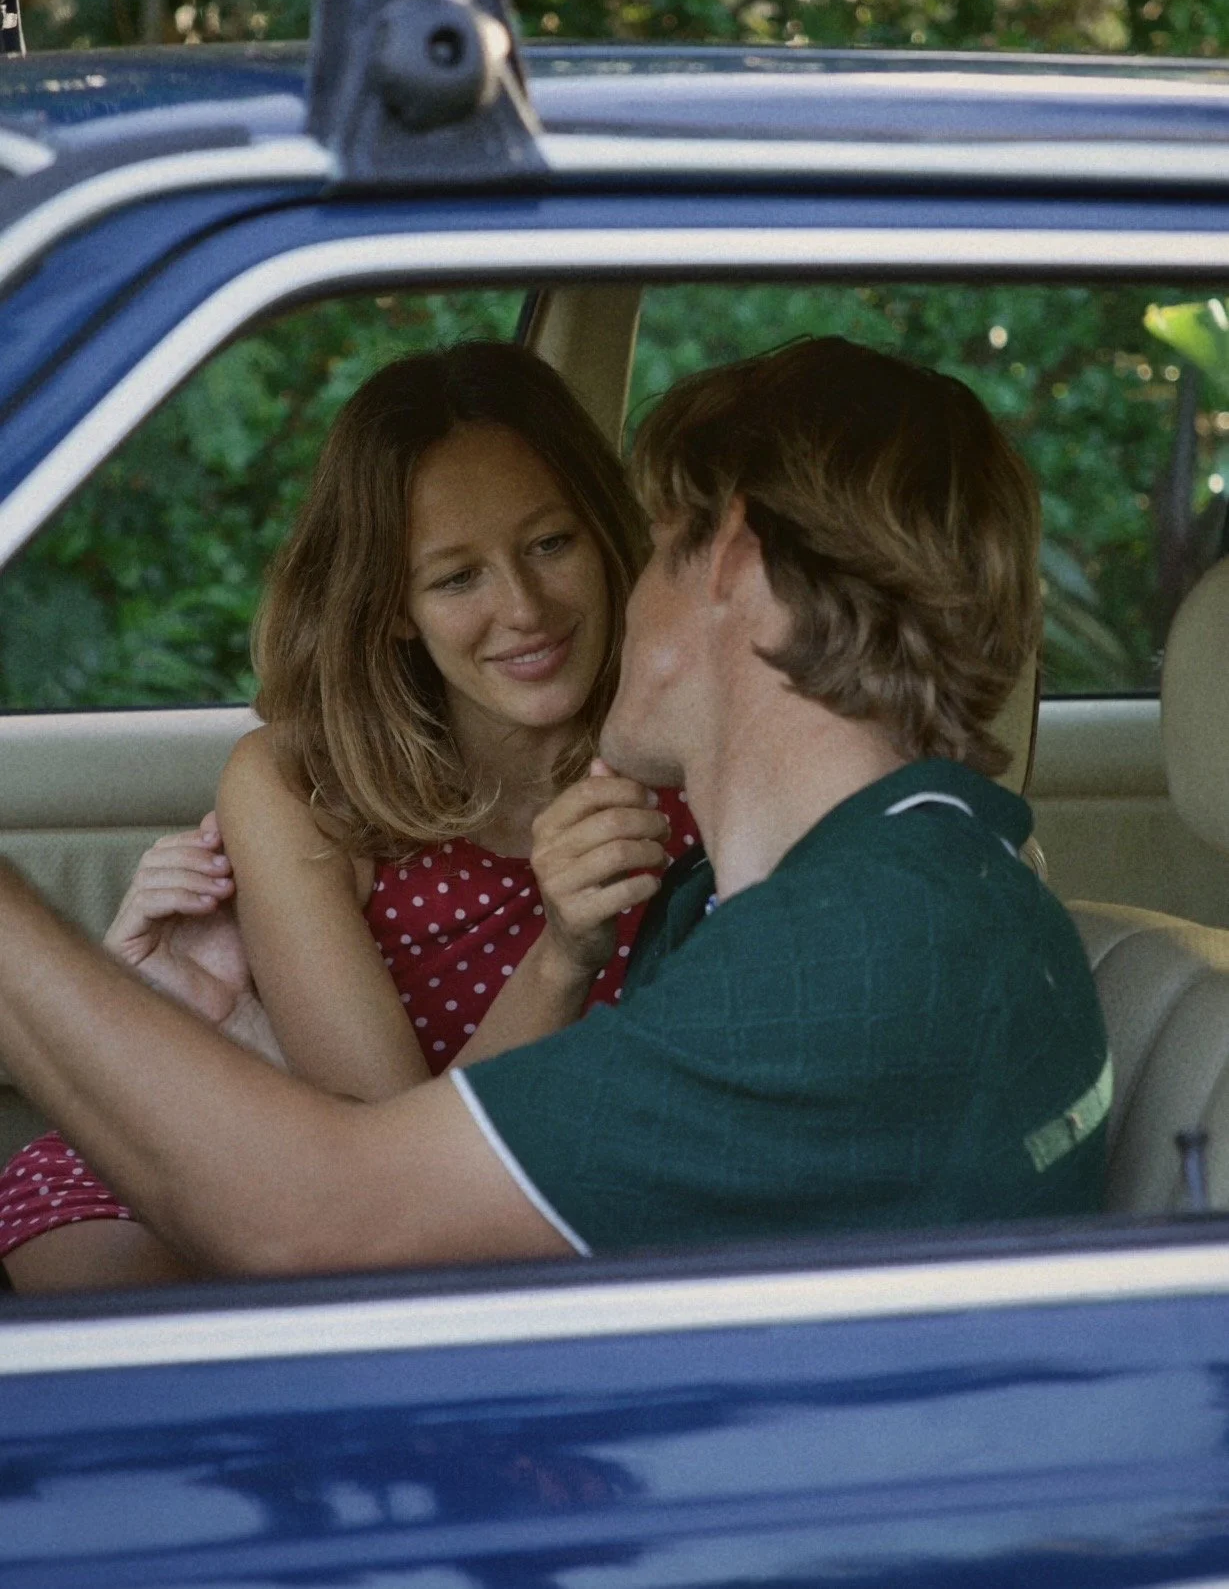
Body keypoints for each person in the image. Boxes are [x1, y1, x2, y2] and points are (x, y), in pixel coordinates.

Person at [0, 337, 1109, 1280]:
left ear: (725, 562)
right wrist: (241, 1036)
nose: (582, 600)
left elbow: (341, 1223)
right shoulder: (852, 891)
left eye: (642, 543)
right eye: (457, 578)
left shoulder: (852, 949)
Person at [0, 343, 696, 1290]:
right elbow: (387, 1192)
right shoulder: (304, 784)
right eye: (456, 578)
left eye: (549, 544)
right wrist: (562, 956)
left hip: (565, 1205)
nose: (524, 608)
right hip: (299, 1180)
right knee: (130, 1326)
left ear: (606, 541)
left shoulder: (692, 744)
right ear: (394, 606)